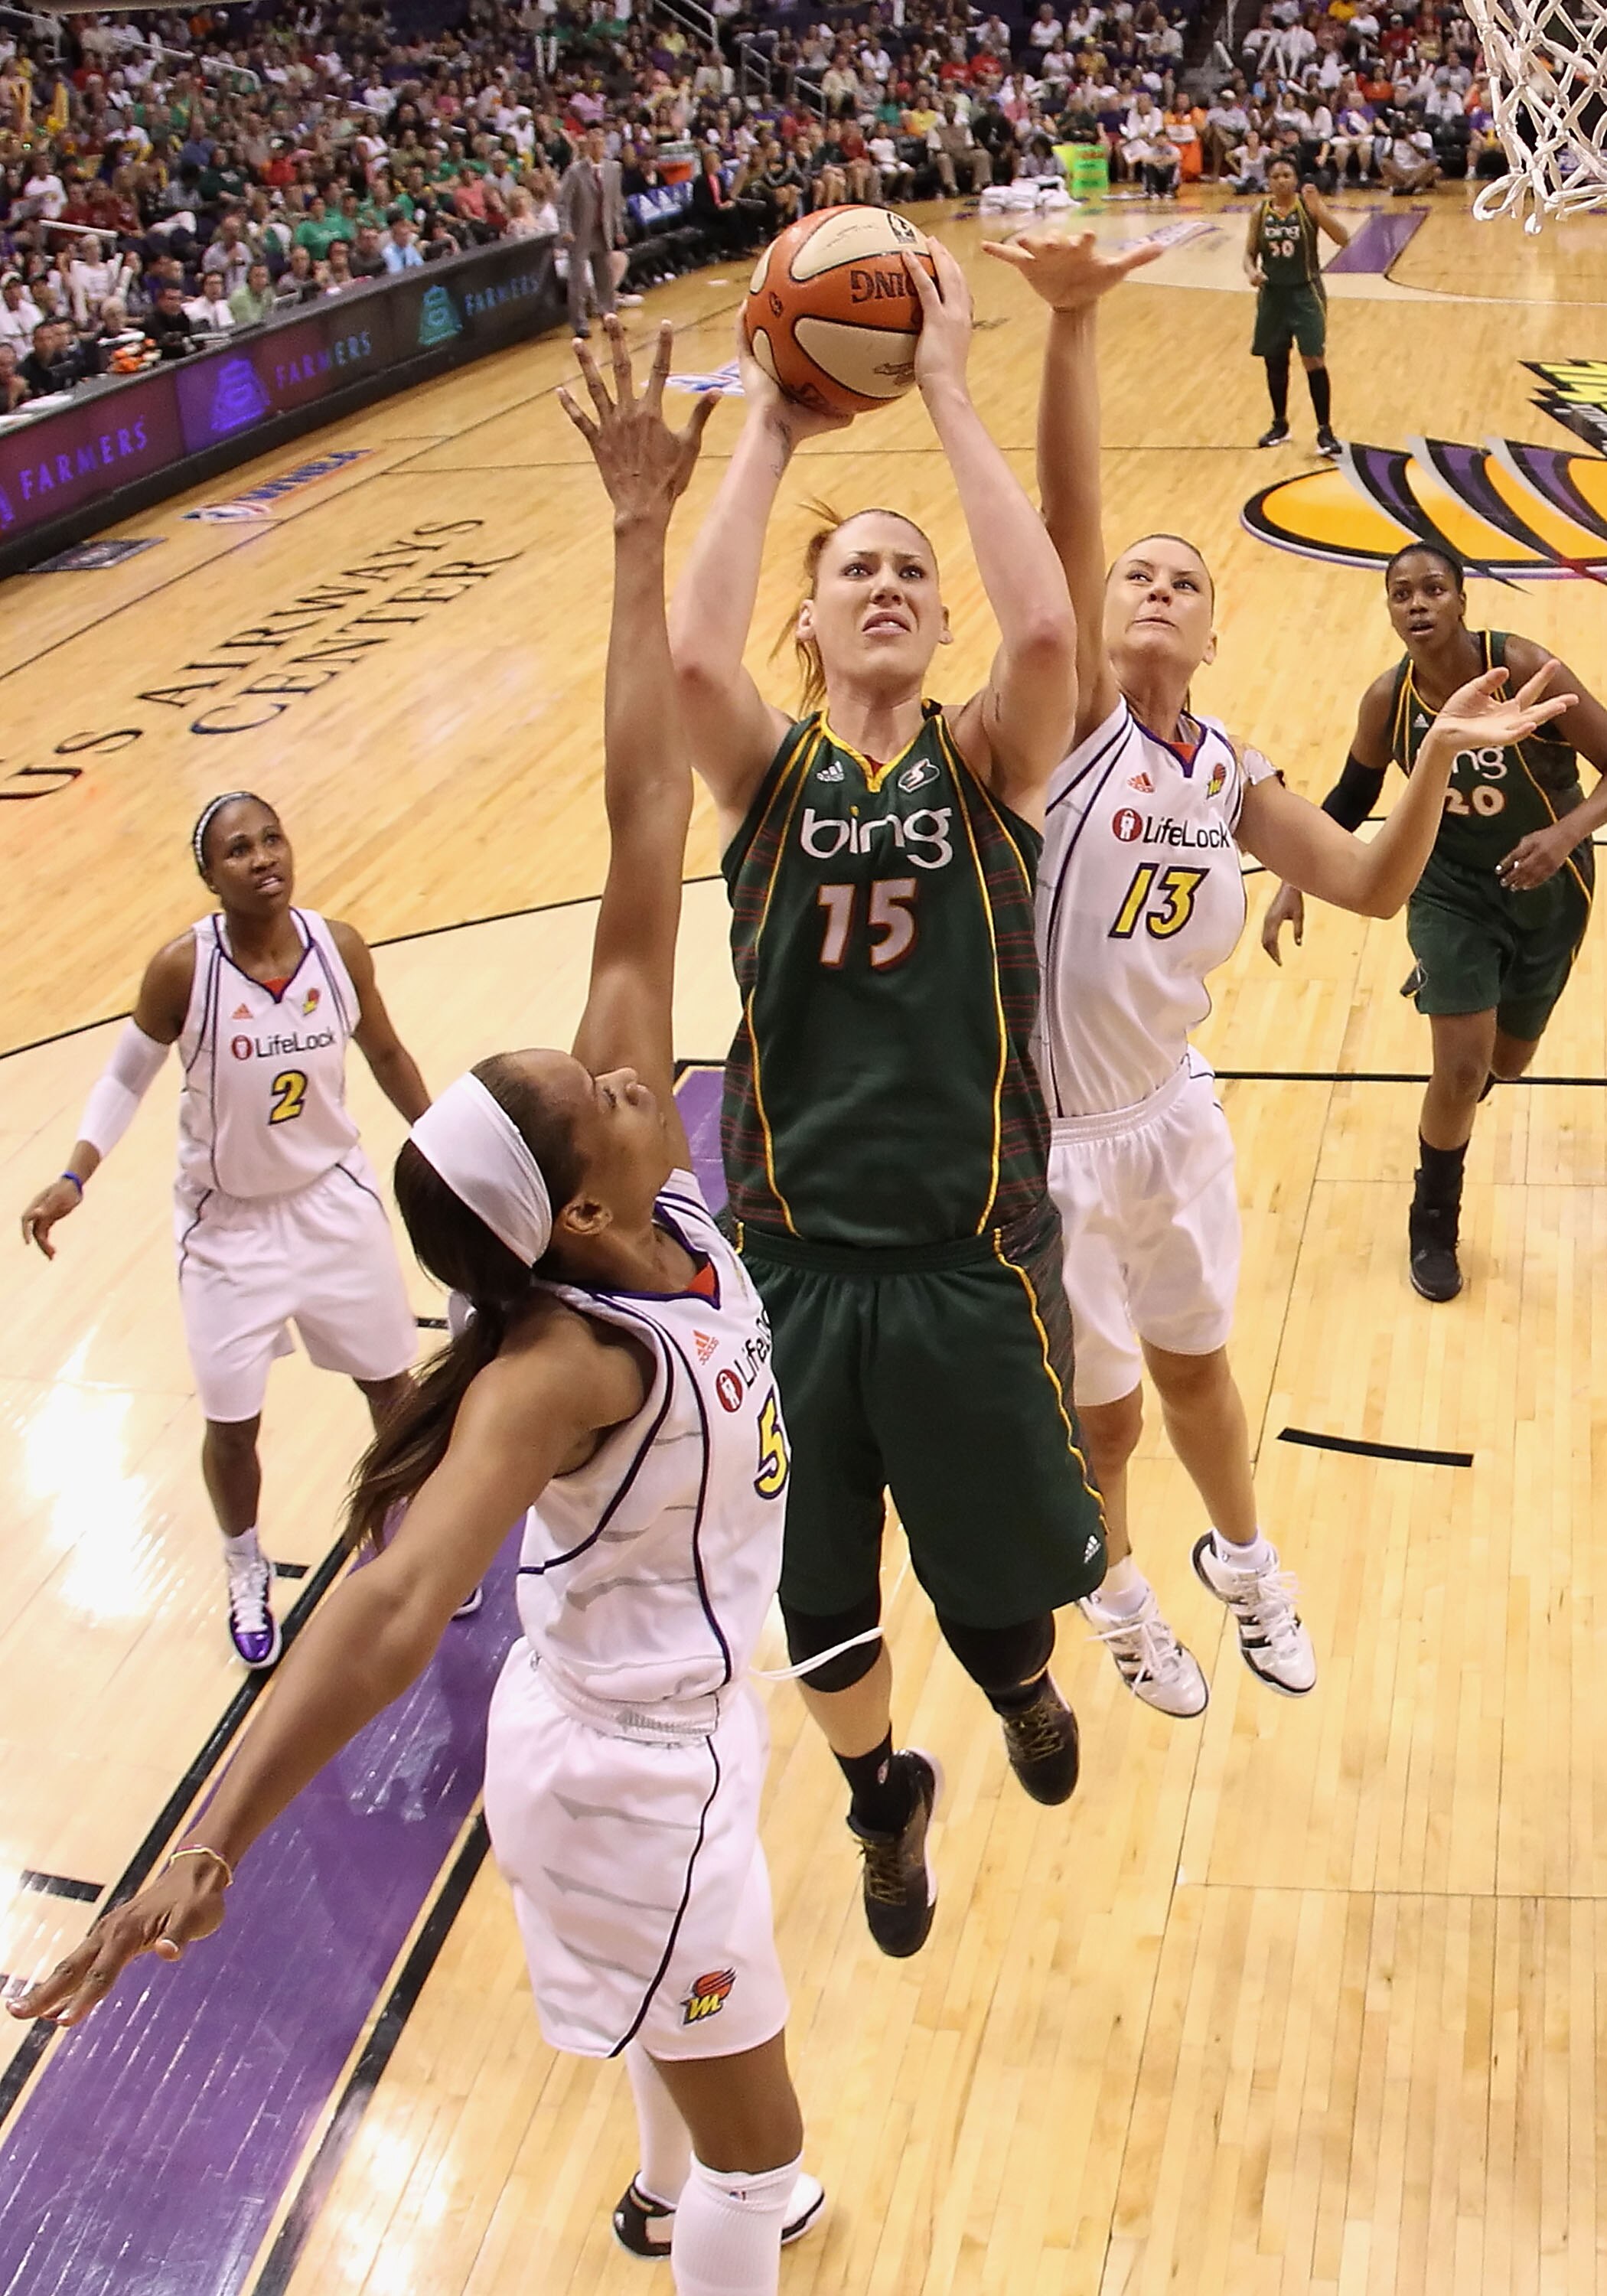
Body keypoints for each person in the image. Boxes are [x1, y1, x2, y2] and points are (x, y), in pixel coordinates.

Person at [10, 323, 826, 2296]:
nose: (625, 1063)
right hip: (631, 1772)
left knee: (682, 2055)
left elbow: (644, 817)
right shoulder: (560, 1360)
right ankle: (712, 2216)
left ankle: (665, 2192)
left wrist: (638, 531)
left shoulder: (637, 1197)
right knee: (772, 2167)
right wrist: (210, 1837)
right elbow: (382, 1609)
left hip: (668, 1721)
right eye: (595, 1089)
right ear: (572, 1199)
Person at [989, 232, 1576, 1710]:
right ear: (1098, 612)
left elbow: (1373, 887)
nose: (1157, 587)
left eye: (1184, 581)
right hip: (1050, 1139)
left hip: (1170, 1117)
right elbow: (1066, 521)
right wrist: (1071, 328)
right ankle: (1122, 1599)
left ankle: (1246, 1567)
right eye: (1137, 575)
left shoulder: (1228, 772)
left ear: (1212, 628)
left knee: (1198, 1374)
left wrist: (1435, 759)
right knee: (1106, 1422)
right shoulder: (1065, 732)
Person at [668, 244, 1107, 1962]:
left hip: (964, 1257)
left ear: (939, 620)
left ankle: (1015, 1688)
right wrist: (771, 432)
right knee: (819, 1599)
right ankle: (880, 1803)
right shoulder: (767, 774)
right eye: (856, 568)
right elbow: (689, 660)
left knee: (1003, 1592)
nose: (889, 584)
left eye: (913, 569)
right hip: (791, 1265)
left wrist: (943, 388)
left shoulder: (989, 762)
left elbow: (1050, 625)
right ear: (810, 619)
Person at [20, 798, 430, 1671]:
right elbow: (125, 1080)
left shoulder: (339, 948)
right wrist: (74, 1174)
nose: (263, 858)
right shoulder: (184, 969)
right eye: (238, 850)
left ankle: (411, 1536)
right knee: (233, 1424)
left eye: (272, 838)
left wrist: (444, 1141)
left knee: (390, 1388)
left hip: (331, 1201)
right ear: (211, 877)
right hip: (228, 1226)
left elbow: (388, 1054)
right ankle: (245, 1565)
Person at [1263, 543, 1607, 1301]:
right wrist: (1295, 877)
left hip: (1551, 890)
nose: (1417, 604)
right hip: (1448, 891)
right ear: (1390, 610)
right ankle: (1432, 1221)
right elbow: (1350, 799)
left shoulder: (1522, 665)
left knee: (1504, 1065)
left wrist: (1565, 834)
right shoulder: (1388, 702)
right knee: (1458, 1070)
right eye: (1401, 594)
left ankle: (1461, 1041)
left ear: (1462, 600)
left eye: (1433, 589)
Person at [1246, 152, 1350, 455]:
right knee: (1275, 359)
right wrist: (1251, 272)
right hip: (1273, 294)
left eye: (1286, 175)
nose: (1281, 181)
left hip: (1306, 292)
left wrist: (1321, 211)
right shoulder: (1260, 212)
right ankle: (1279, 424)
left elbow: (1343, 238)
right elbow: (1249, 253)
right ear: (1268, 181)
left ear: (1296, 179)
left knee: (1313, 359)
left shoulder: (1307, 206)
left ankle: (1325, 431)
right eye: (1275, 176)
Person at [559, 123, 624, 341]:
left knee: (605, 277)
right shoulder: (575, 171)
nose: (597, 147)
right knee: (578, 279)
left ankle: (608, 315)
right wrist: (565, 229)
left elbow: (615, 203)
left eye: (600, 143)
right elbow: (563, 204)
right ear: (587, 146)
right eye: (593, 143)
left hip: (603, 229)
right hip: (580, 231)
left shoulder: (613, 169)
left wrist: (619, 229)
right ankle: (579, 323)